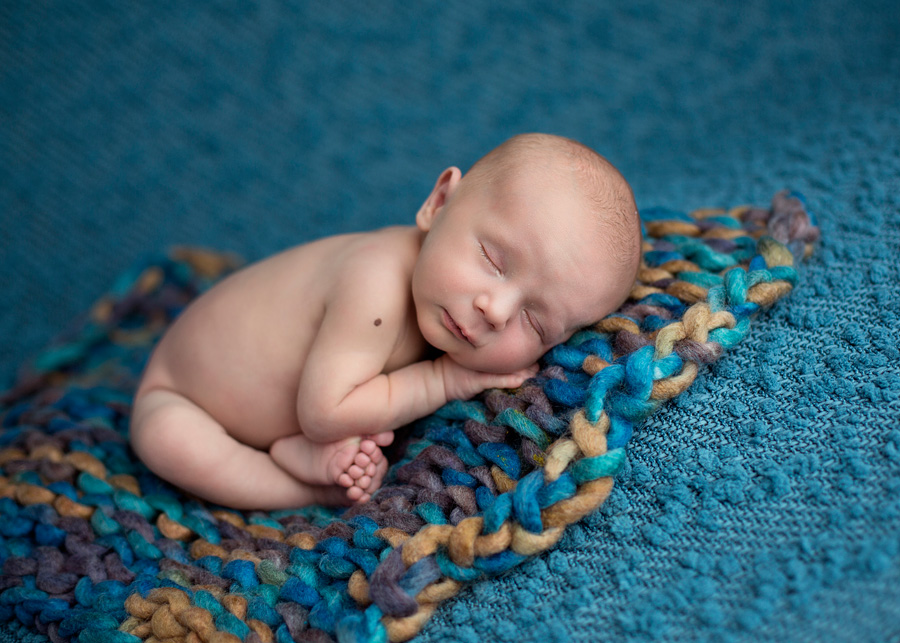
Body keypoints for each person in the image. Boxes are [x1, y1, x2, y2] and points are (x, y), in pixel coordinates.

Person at [129, 133, 642, 510]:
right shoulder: (375, 283)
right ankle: (303, 488)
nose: (496, 310)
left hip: (301, 412)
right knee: (166, 438)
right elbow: (326, 412)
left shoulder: (445, 301)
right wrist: (443, 380)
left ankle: (299, 454)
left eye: (535, 322)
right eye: (493, 258)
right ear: (439, 204)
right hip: (184, 395)